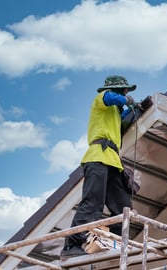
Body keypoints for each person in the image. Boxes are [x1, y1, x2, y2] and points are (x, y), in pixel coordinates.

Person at [60, 75, 137, 258]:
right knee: (92, 204)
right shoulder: (102, 99)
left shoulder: (114, 113)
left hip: (113, 161)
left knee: (123, 207)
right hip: (98, 156)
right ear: (118, 89)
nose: (127, 92)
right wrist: (127, 100)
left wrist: (134, 109)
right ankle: (71, 246)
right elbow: (109, 97)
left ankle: (117, 243)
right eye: (125, 90)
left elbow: (122, 118)